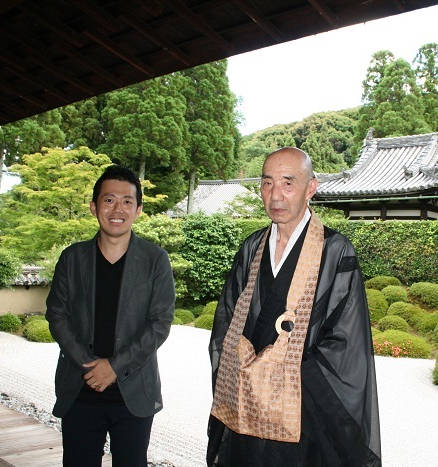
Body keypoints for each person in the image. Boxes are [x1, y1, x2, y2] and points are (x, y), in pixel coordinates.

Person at [207, 147, 381, 466]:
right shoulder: (251, 248)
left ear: (310, 189)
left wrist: (283, 372)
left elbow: (346, 341)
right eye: (267, 183)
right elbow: (226, 321)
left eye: (288, 183)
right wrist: (248, 367)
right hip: (247, 405)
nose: (276, 195)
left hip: (304, 412)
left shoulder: (336, 251)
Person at [46, 165, 175, 466]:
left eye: (127, 201)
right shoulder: (72, 258)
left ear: (139, 209)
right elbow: (57, 315)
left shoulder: (155, 260)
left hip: (133, 390)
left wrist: (115, 367)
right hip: (80, 387)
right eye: (109, 200)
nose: (118, 209)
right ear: (94, 207)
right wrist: (90, 365)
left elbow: (160, 323)